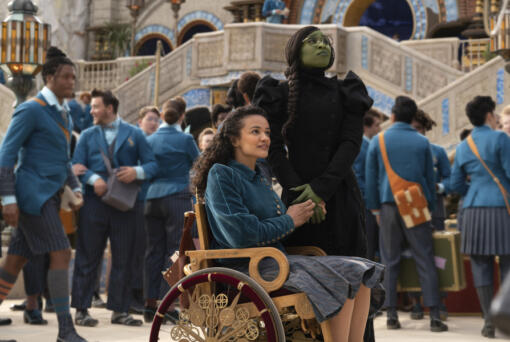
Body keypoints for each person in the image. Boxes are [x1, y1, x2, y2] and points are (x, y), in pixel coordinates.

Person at [191, 106, 384, 342]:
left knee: (362, 270)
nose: (264, 138)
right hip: (247, 269)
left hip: (275, 262)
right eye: (255, 132)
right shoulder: (222, 174)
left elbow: (278, 223)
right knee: (345, 277)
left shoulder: (259, 174)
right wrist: (291, 218)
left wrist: (305, 212)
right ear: (234, 139)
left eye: (267, 132)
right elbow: (242, 235)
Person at [253, 26, 376, 340]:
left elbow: (350, 143)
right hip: (298, 202)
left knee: (354, 274)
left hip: (340, 196)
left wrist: (321, 189)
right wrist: (301, 194)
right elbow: (274, 149)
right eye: (313, 41)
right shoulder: (277, 92)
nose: (322, 45)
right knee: (306, 281)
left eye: (325, 42)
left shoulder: (346, 89)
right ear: (296, 50)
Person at [0, 46, 86, 342]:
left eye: (73, 77)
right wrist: (8, 199)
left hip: (50, 195)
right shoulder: (31, 109)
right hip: (31, 196)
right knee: (61, 252)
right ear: (49, 77)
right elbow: (5, 156)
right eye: (66, 77)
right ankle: (65, 330)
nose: (71, 82)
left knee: (14, 263)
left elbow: (63, 161)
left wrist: (75, 188)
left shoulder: (64, 112)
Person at [71, 89, 158, 327]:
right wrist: (92, 179)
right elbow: (76, 165)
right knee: (88, 255)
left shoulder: (135, 134)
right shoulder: (87, 135)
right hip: (93, 203)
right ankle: (81, 309)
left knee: (125, 257)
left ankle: (120, 310)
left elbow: (152, 165)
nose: (91, 111)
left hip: (127, 204)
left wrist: (135, 172)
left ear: (109, 108)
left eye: (96, 106)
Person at [365, 96, 448, 332]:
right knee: (424, 258)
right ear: (413, 117)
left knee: (390, 260)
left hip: (388, 207)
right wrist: (429, 208)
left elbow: (371, 180)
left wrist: (375, 209)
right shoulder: (422, 142)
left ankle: (391, 314)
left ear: (392, 116)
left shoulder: (378, 141)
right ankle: (434, 315)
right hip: (415, 206)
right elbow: (429, 180)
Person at [450, 96, 510, 338]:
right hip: (501, 210)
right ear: (489, 115)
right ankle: (506, 317)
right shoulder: (500, 138)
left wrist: (474, 192)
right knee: (507, 264)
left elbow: (455, 183)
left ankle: (488, 322)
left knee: (481, 266)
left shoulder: (464, 145)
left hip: (473, 212)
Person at [143, 99, 200, 323]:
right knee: (175, 251)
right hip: (176, 196)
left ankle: (149, 304)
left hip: (151, 198)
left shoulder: (150, 139)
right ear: (182, 116)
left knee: (152, 251)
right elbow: (198, 165)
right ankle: (167, 304)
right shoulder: (185, 139)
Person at [410, 109, 451, 320]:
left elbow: (451, 180)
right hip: (412, 210)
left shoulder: (438, 152)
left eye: (418, 128)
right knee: (412, 256)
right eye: (412, 128)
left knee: (438, 258)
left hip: (435, 211)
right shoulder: (404, 152)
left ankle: (440, 303)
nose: (415, 132)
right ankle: (416, 303)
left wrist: (439, 187)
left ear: (425, 130)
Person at [353, 109, 382, 261]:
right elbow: (358, 177)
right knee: (369, 248)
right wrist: (370, 200)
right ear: (366, 126)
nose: (380, 129)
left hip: (372, 203)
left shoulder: (369, 145)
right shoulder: (361, 146)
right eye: (377, 125)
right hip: (368, 205)